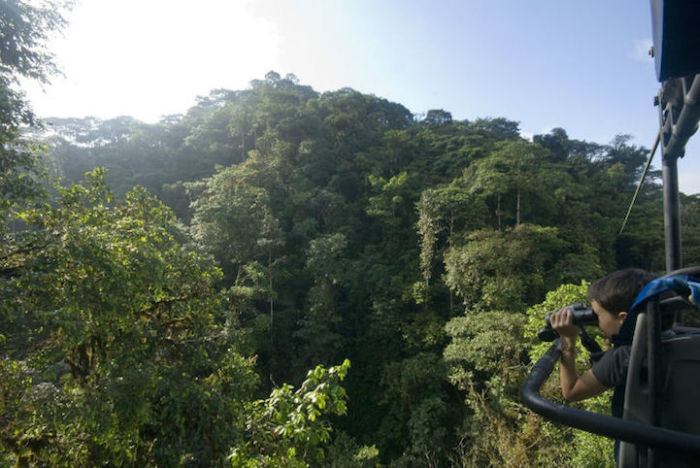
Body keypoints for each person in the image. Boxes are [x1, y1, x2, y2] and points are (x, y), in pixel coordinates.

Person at [550, 268, 658, 461]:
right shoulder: (681, 340)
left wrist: (568, 340)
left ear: (623, 318)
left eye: (598, 316)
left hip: (644, 459)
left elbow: (571, 391)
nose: (597, 323)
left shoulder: (625, 356)